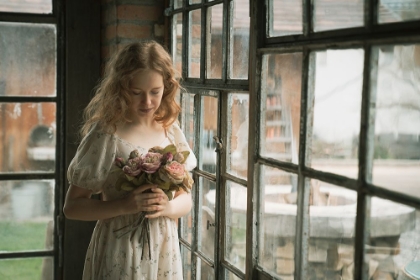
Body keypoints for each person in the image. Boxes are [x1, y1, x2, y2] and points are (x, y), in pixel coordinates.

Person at [63, 40, 197, 280]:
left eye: (155, 92)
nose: (147, 102)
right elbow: (72, 207)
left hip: (164, 253)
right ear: (121, 88)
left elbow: (186, 199)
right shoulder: (107, 134)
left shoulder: (170, 130)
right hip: (120, 251)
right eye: (136, 93)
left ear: (166, 86)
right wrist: (124, 205)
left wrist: (168, 207)